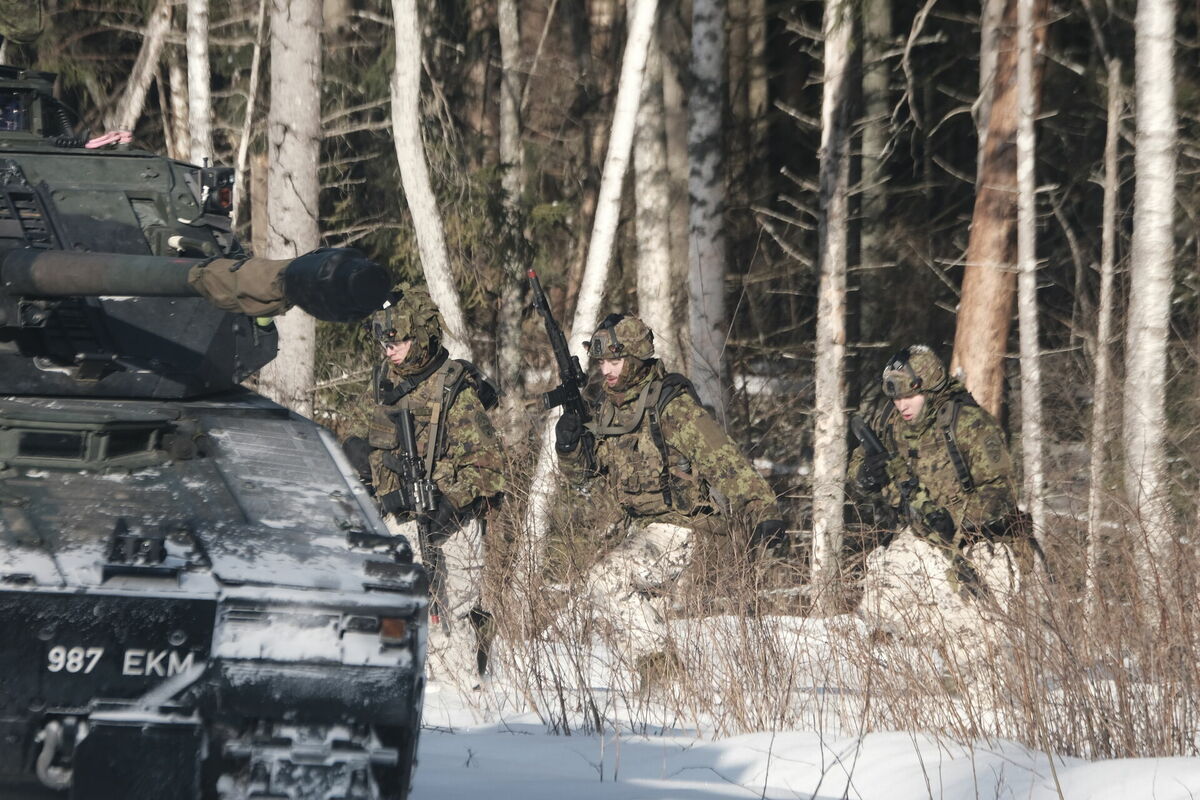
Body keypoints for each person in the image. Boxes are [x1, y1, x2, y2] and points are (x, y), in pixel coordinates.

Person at [553, 313, 785, 673]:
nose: (606, 370)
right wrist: (568, 445)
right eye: (601, 362)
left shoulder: (671, 406)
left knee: (607, 580)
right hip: (642, 532)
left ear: (634, 357)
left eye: (614, 360)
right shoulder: (610, 411)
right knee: (632, 610)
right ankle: (666, 695)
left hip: (686, 530)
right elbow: (584, 477)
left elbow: (724, 460)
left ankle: (663, 672)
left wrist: (764, 510)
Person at [344, 285, 506, 687]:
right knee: (398, 610)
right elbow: (357, 430)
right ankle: (403, 692)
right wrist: (357, 452)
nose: (388, 348)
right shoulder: (382, 380)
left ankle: (465, 700)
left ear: (420, 336)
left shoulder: (454, 389)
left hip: (451, 520)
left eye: (396, 339)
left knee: (454, 613)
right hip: (397, 516)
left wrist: (451, 502)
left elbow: (489, 468)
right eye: (383, 340)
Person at [849, 345, 1033, 663]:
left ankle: (967, 647)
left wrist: (956, 517)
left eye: (909, 396)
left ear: (930, 387)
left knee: (978, 653)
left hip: (984, 543)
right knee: (881, 603)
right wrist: (865, 475)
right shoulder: (890, 423)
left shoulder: (970, 424)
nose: (901, 405)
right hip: (923, 537)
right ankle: (946, 632)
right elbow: (858, 465)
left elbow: (1001, 493)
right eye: (896, 398)